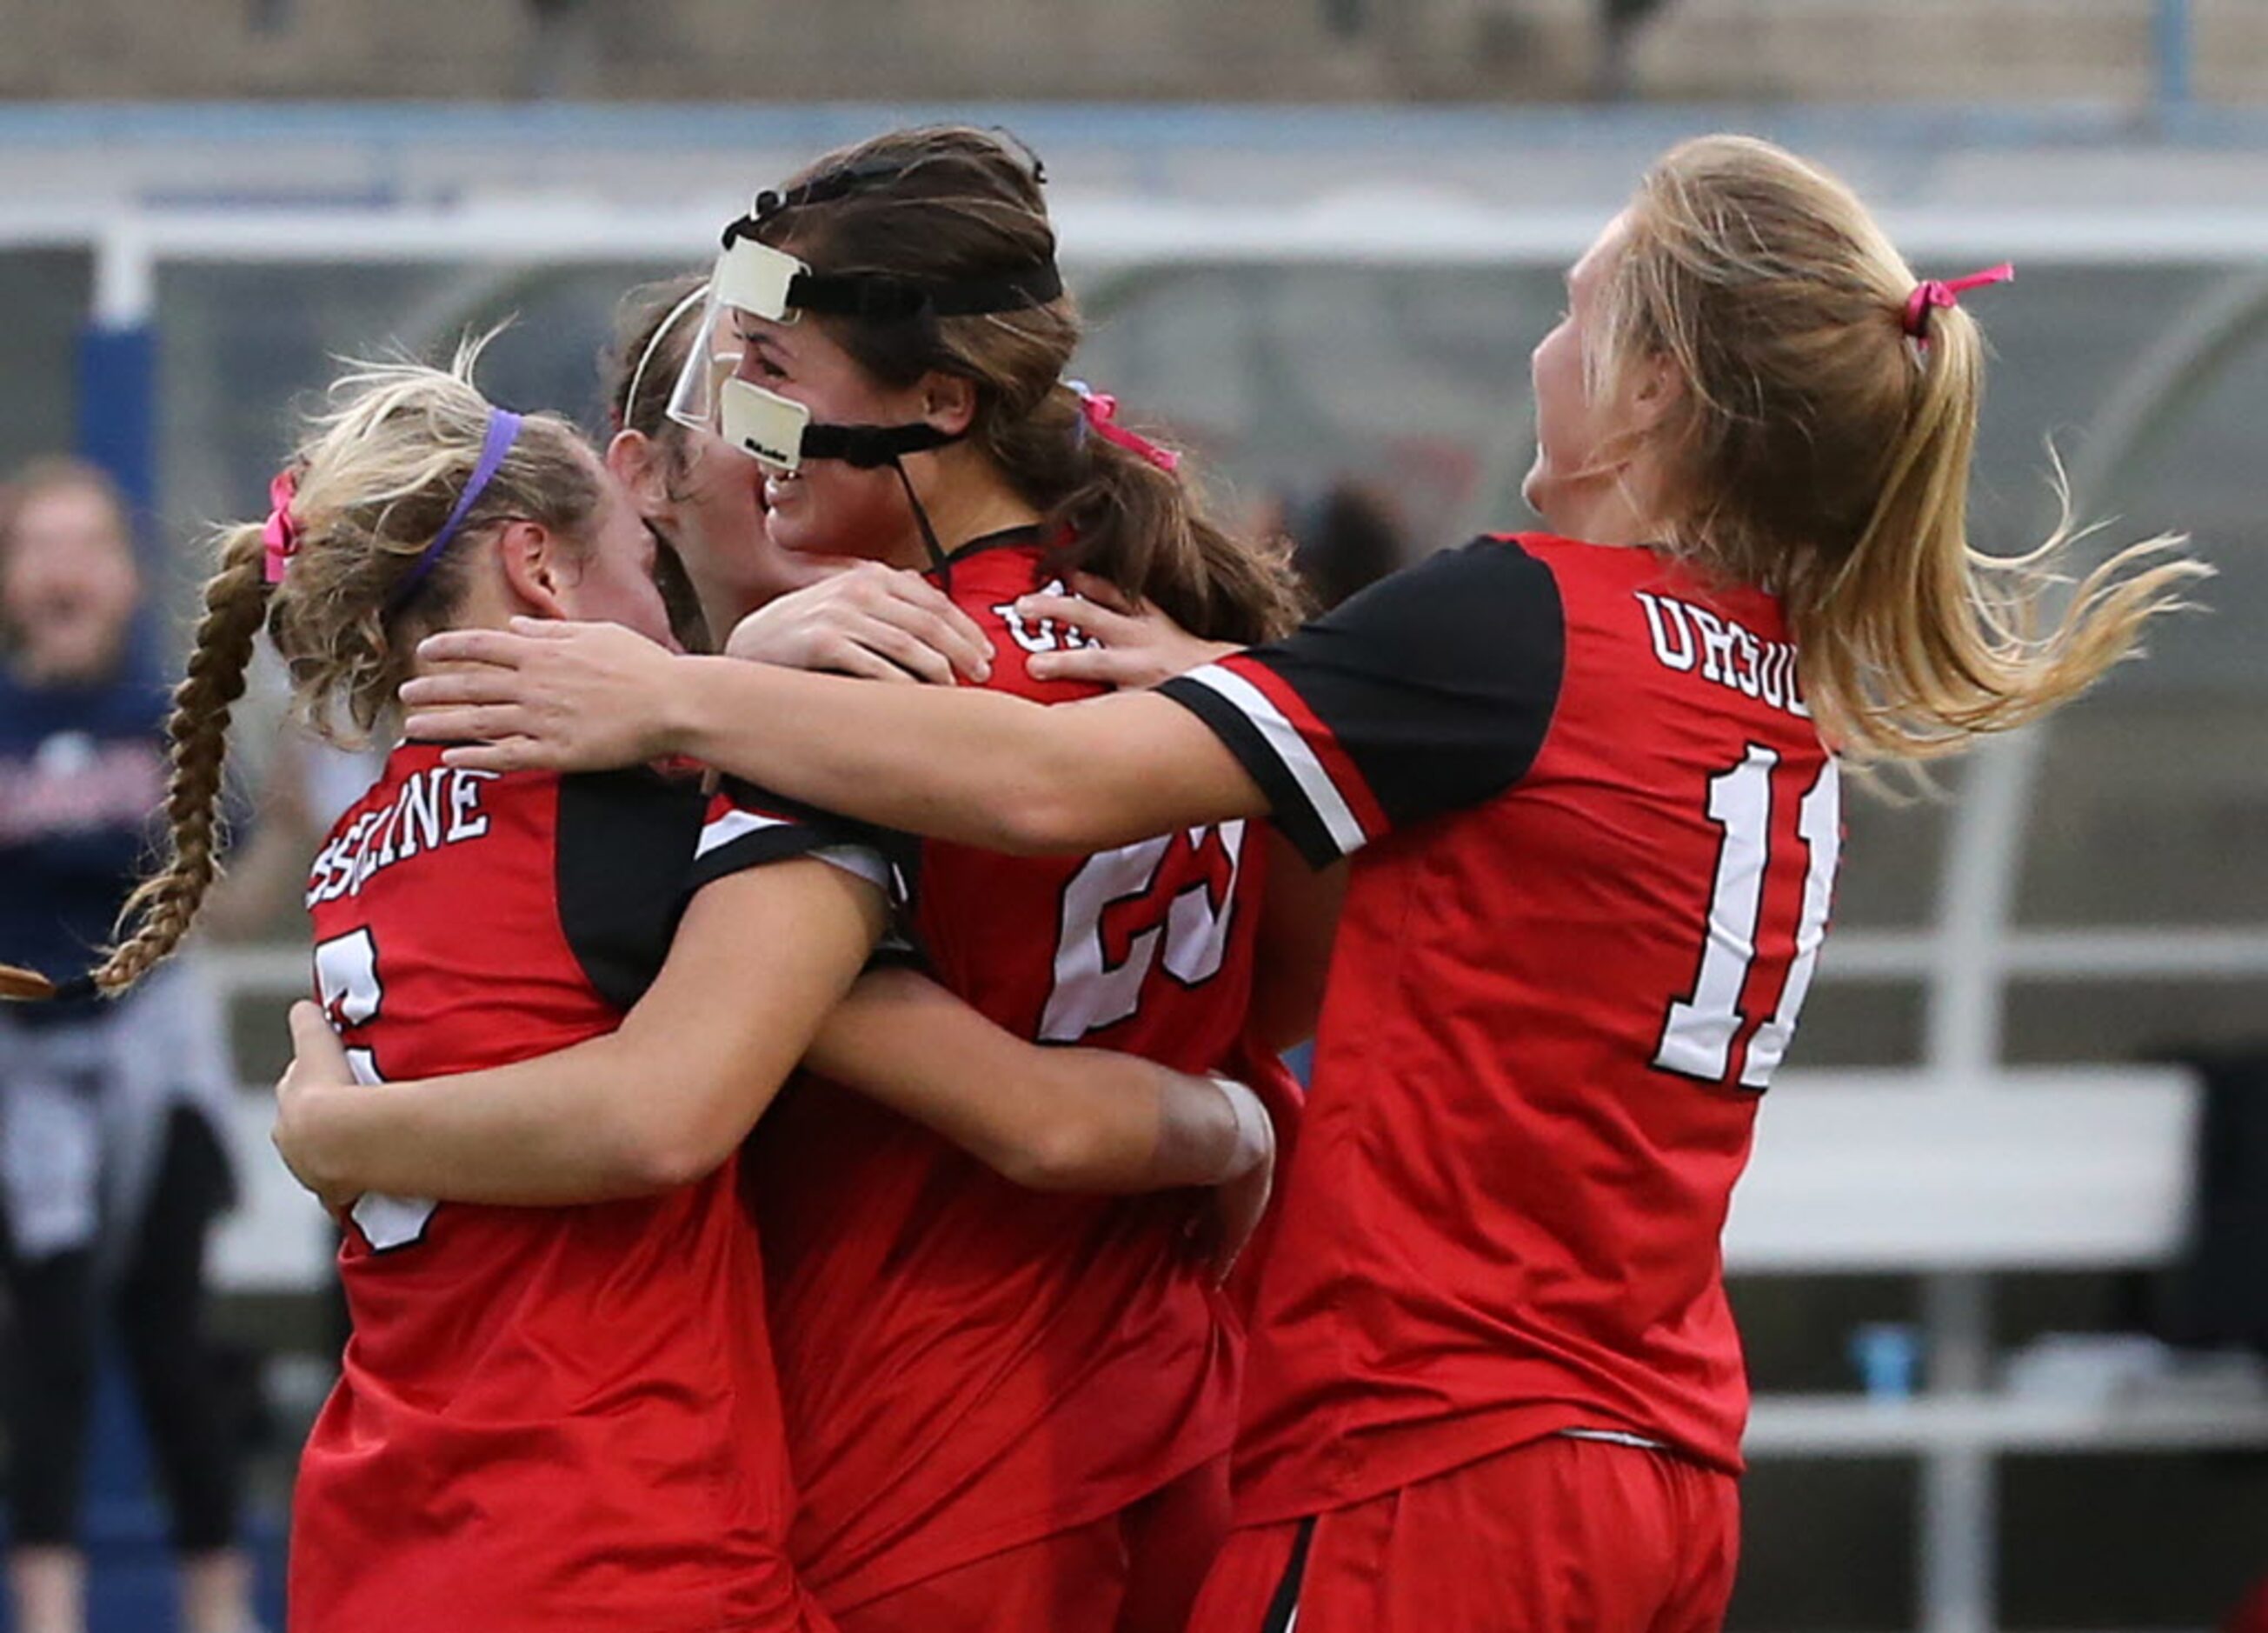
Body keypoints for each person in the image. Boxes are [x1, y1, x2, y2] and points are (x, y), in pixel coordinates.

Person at [396, 133, 2210, 1631]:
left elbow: (1014, 824)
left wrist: (671, 700)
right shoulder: (1760, 674)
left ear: (1658, 386)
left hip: (1346, 1456)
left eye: (1575, 314)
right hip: (1617, 1452)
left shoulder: (1476, 625)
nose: (1534, 353)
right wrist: (1222, 1084)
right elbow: (1343, 967)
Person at [9, 350, 1270, 1633]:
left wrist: (335, 1129)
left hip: (386, 1524)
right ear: (540, 569)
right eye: (639, 566)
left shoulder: (363, 847)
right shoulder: (657, 822)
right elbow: (1014, 1112)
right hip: (615, 1530)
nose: (672, 619)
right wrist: (1238, 1126)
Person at [284, 126, 1320, 1633]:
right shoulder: (1150, 648)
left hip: (916, 1453)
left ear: (938, 405)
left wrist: (333, 1129)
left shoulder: (840, 706)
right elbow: (1284, 986)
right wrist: (1236, 1121)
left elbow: (677, 1104)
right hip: (1175, 1402)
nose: (735, 428)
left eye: (768, 368)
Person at [0, 457, 256, 1633]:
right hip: (23, 1066)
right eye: (36, 546)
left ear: (126, 571)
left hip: (156, 1048)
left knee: (169, 1333)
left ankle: (218, 1600)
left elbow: (236, 874)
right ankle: (50, 1606)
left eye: (84, 544)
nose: (61, 569)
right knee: (45, 1338)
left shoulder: (174, 715)